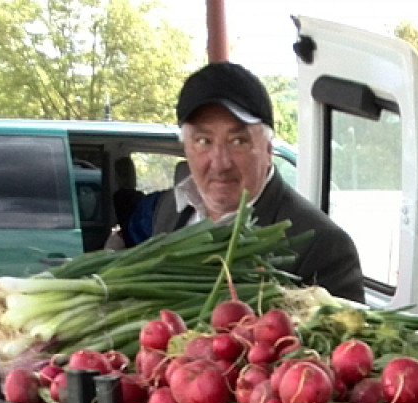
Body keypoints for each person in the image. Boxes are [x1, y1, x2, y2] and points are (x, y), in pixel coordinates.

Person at [114, 62, 365, 302]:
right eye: (203, 141)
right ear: (186, 147)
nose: (220, 163)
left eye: (238, 142)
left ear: (267, 149)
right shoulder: (169, 208)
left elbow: (346, 341)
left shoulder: (323, 245)